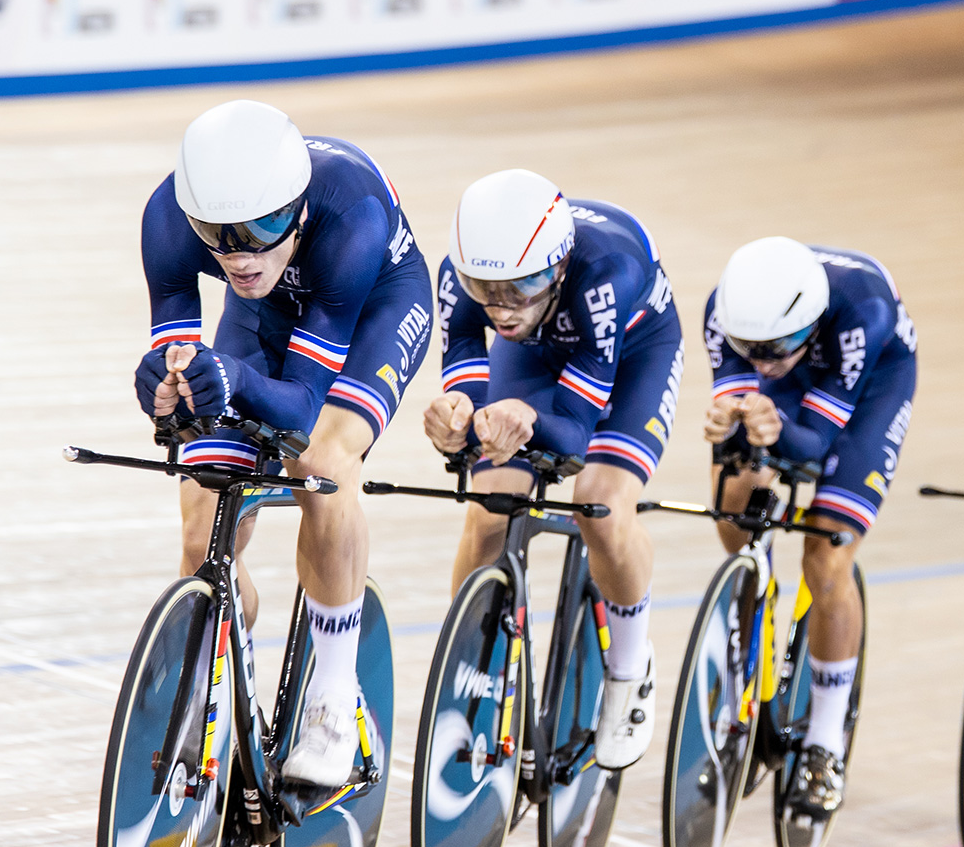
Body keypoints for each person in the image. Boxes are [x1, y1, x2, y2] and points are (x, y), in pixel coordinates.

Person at [134, 99, 434, 787]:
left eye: (265, 227)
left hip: (372, 308)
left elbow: (300, 406)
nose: (240, 253)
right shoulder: (169, 219)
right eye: (218, 233)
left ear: (298, 209)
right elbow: (177, 366)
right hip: (264, 318)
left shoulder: (351, 215)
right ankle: (218, 653)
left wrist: (226, 376)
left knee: (322, 462)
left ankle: (332, 696)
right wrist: (166, 385)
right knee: (202, 522)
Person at [422, 170, 682, 771]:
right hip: (536, 354)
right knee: (489, 512)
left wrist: (525, 419)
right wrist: (458, 419)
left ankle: (628, 670)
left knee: (602, 504)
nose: (502, 307)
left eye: (523, 287)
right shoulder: (465, 285)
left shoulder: (604, 275)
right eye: (485, 289)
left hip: (634, 357)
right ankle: (469, 673)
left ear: (560, 267)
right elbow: (468, 392)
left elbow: (572, 433)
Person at [700, 237, 918, 815]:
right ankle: (756, 598)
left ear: (811, 321)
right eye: (751, 349)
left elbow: (815, 448)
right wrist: (730, 420)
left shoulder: (862, 313)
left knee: (826, 556)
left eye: (777, 346)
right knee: (735, 497)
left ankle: (825, 741)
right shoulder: (725, 319)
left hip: (870, 390)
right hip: (800, 383)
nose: (764, 361)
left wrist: (771, 424)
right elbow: (744, 420)